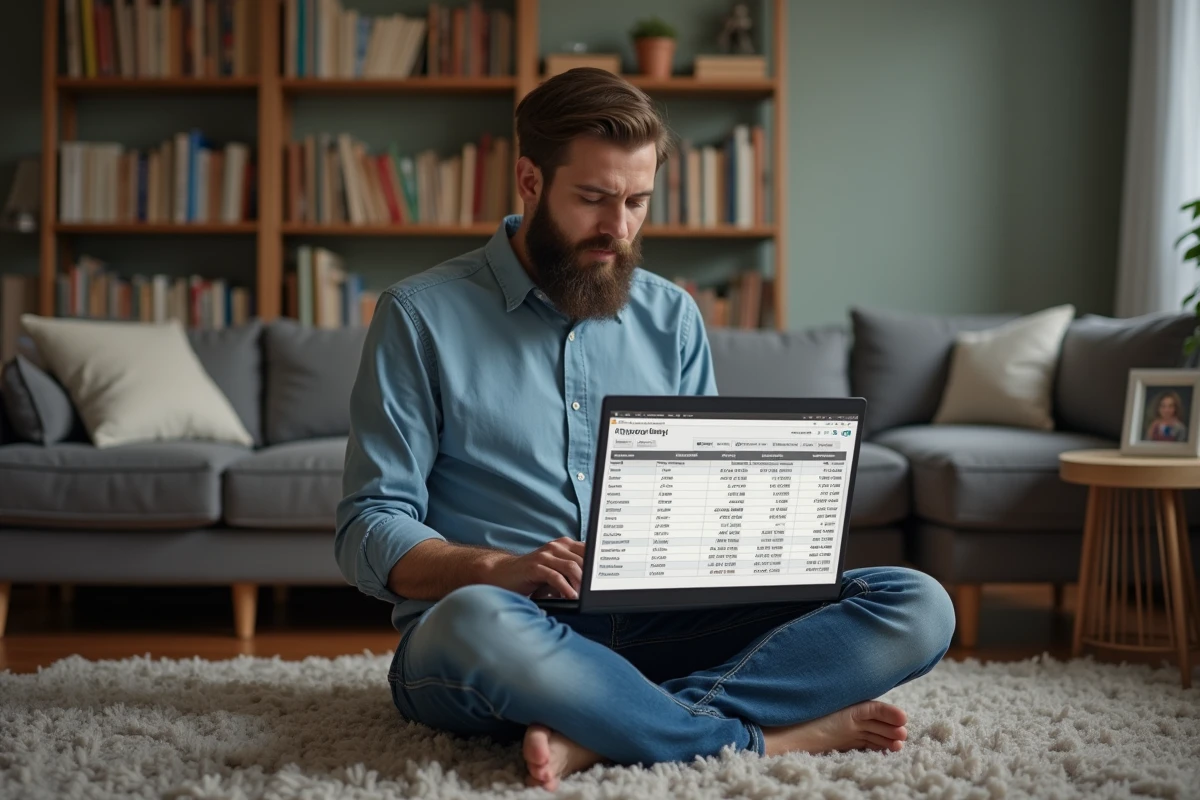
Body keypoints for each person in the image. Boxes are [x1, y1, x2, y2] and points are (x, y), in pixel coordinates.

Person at [335, 67, 956, 792]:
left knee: (915, 603)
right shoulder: (419, 316)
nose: (619, 229)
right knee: (476, 620)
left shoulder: (672, 316)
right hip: (505, 630)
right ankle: (764, 738)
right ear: (530, 181)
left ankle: (607, 731)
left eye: (637, 202)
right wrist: (493, 568)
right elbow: (368, 527)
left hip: (660, 628)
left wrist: (750, 545)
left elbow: (702, 504)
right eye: (594, 199)